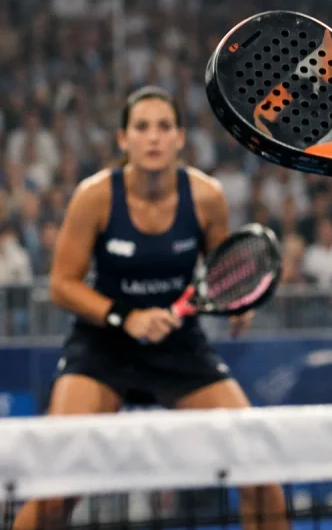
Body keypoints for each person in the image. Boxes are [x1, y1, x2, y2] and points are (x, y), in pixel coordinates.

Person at [14, 86, 288, 530]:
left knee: (260, 473)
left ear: (181, 137)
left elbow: (226, 269)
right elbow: (62, 286)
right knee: (57, 487)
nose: (153, 137)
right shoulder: (95, 197)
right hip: (103, 347)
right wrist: (128, 318)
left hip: (179, 345)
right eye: (142, 127)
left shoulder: (207, 197)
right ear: (123, 140)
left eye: (164, 127)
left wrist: (237, 305)